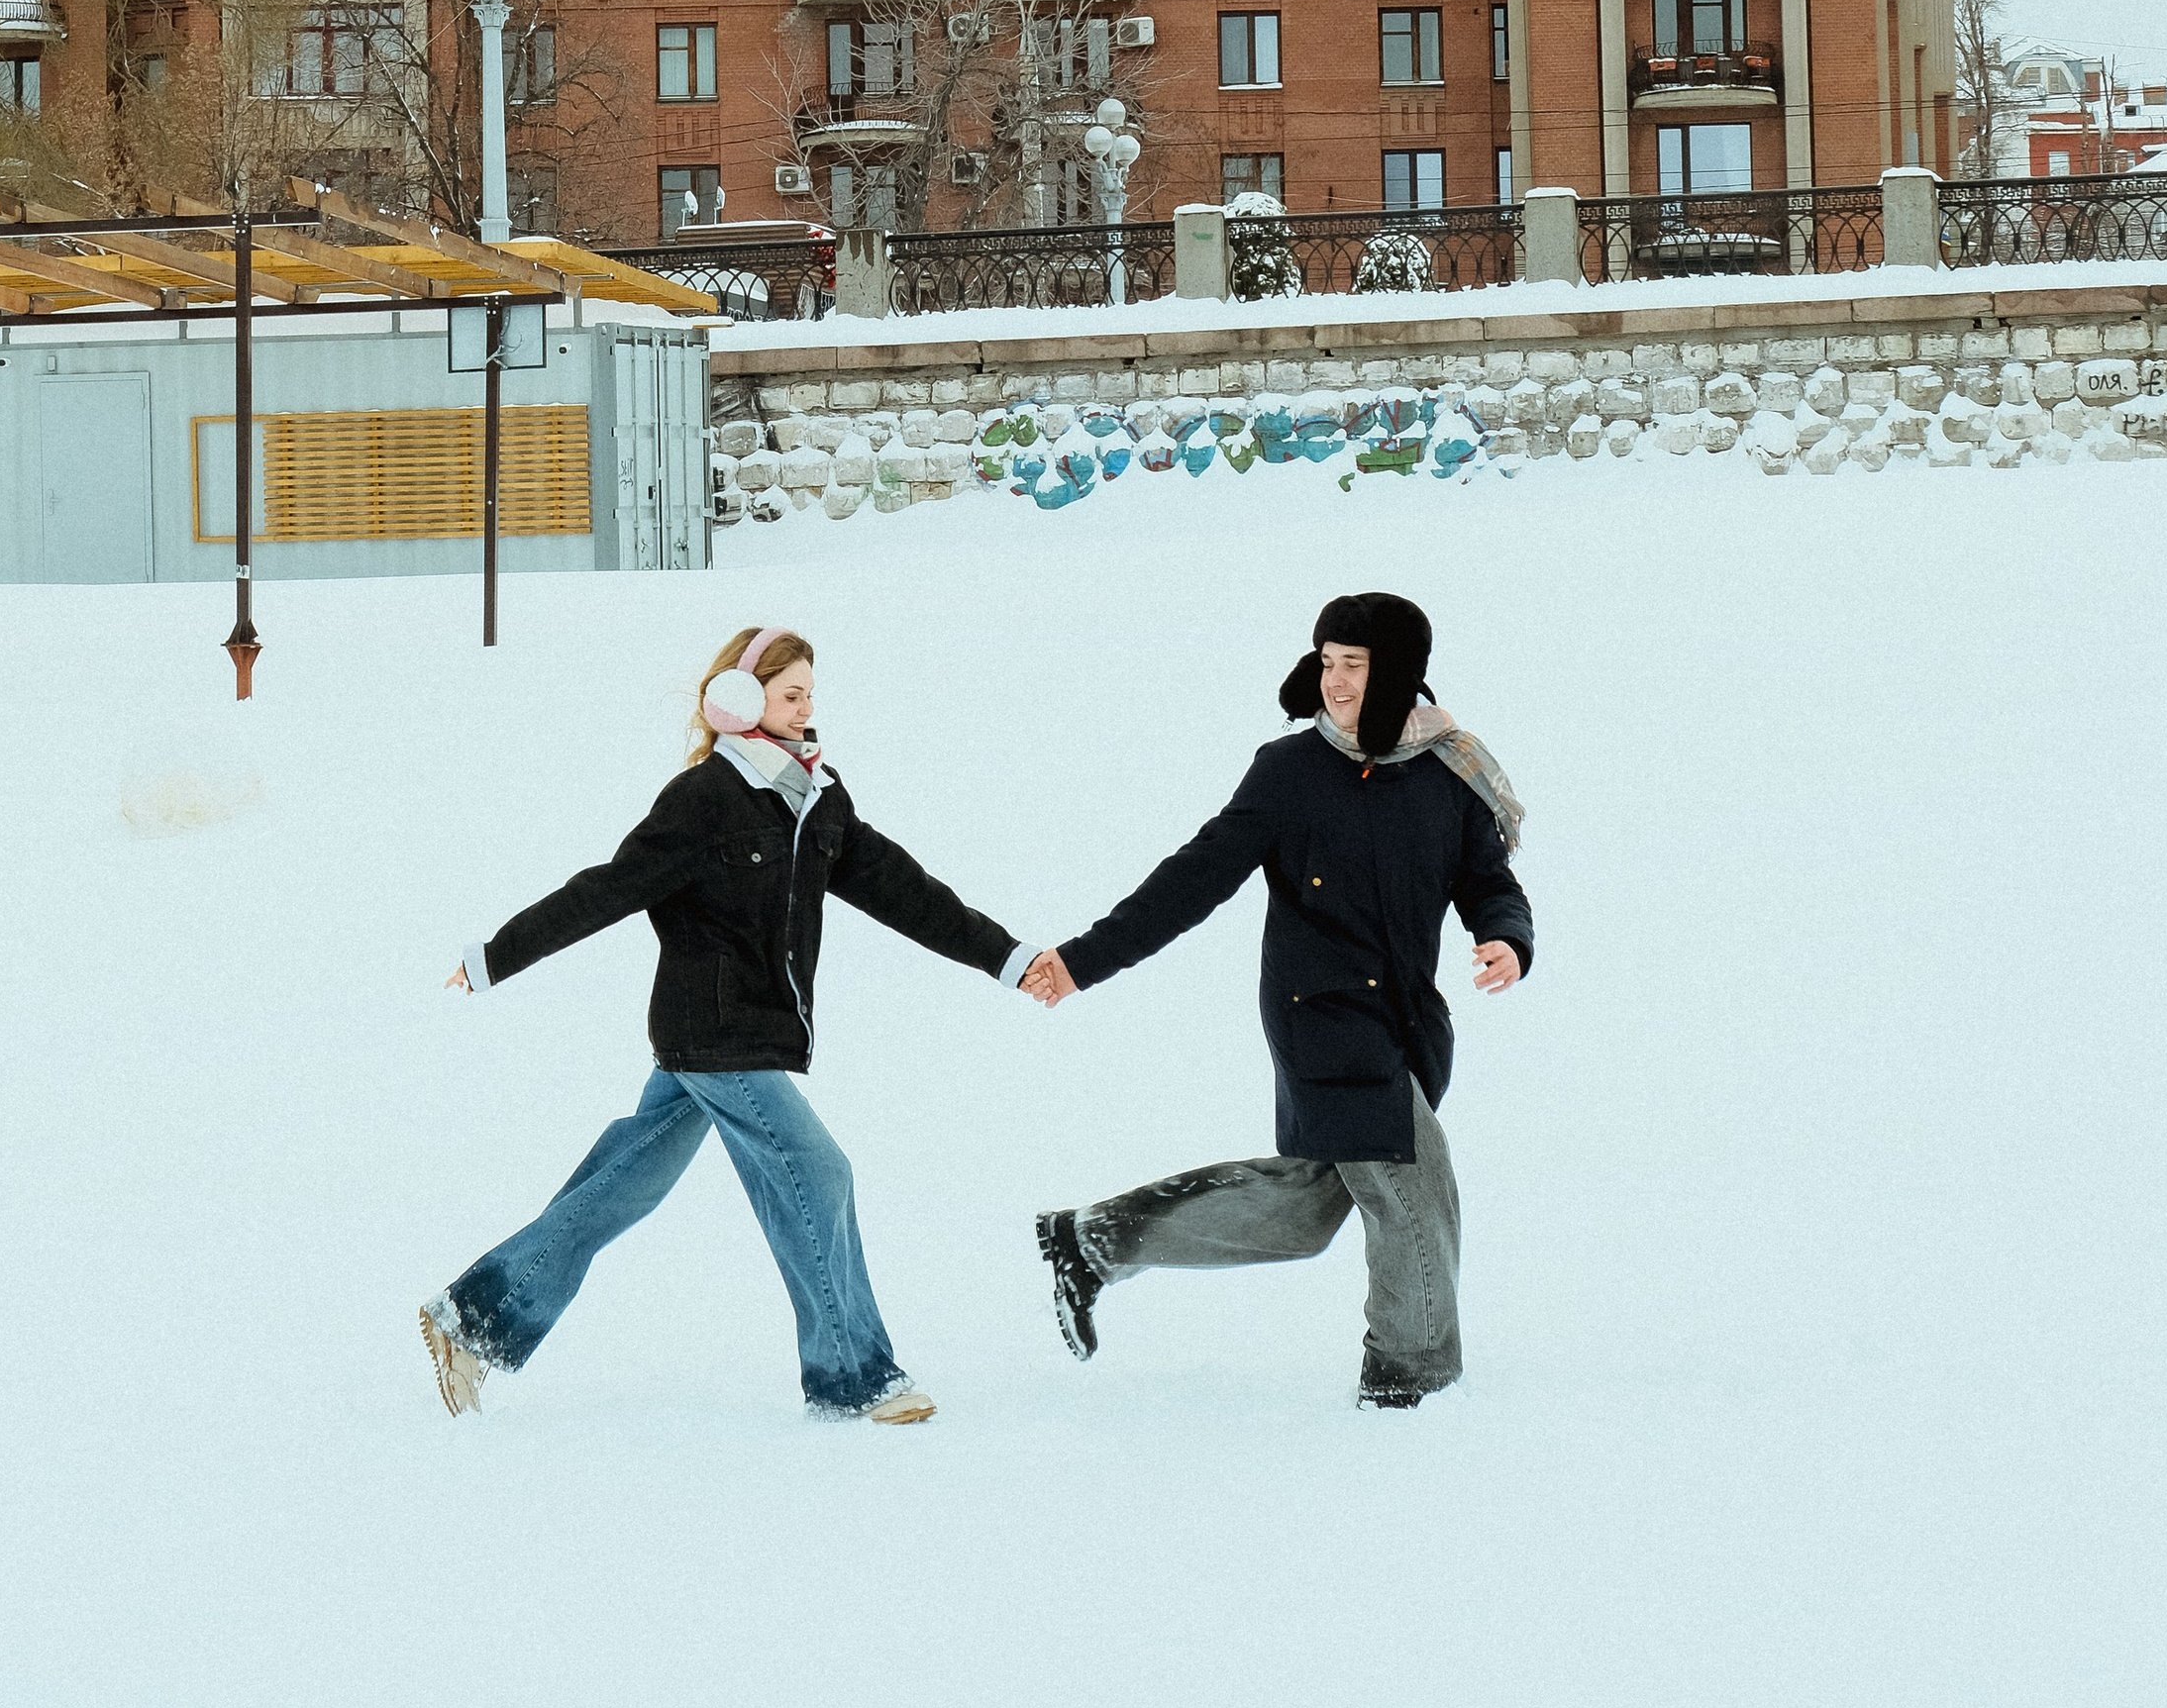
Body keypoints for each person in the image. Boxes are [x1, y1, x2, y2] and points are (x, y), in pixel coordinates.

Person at [421, 623, 1040, 1427]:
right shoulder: (704, 800)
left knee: (625, 1183)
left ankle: (475, 1317)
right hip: (713, 1033)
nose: (807, 708)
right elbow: (606, 888)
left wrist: (1008, 957)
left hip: (736, 1034)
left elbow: (907, 892)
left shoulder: (816, 799)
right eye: (791, 693)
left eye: (811, 693)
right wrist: (497, 954)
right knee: (818, 1173)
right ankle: (854, 1376)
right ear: (740, 701)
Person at [1019, 590, 1533, 1410]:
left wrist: (1507, 937)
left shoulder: (1450, 771)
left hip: (1407, 1020)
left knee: (1307, 1207)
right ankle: (1412, 1382)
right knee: (1413, 1189)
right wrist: (1085, 960)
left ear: (1397, 673)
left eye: (1354, 666)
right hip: (1320, 1014)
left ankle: (1094, 1241)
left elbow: (1488, 880)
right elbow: (1193, 878)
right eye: (1327, 663)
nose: (1335, 683)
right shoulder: (1290, 772)